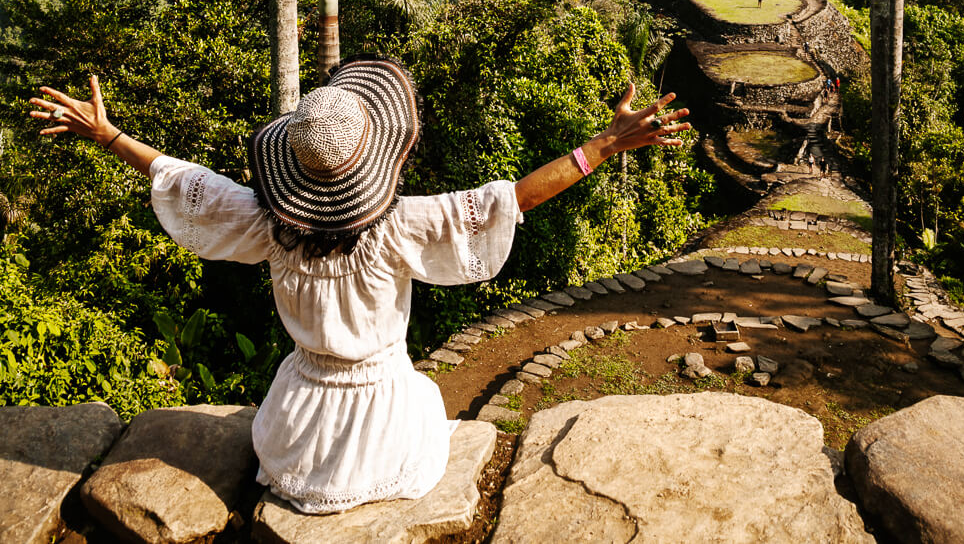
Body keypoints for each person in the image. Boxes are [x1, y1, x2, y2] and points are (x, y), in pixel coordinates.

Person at [29, 61, 686, 515]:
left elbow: (188, 182)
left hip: (294, 431)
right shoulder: (399, 227)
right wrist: (602, 145)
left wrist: (107, 134)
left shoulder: (265, 224)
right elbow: (510, 201)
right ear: (379, 158)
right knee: (430, 409)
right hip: (383, 429)